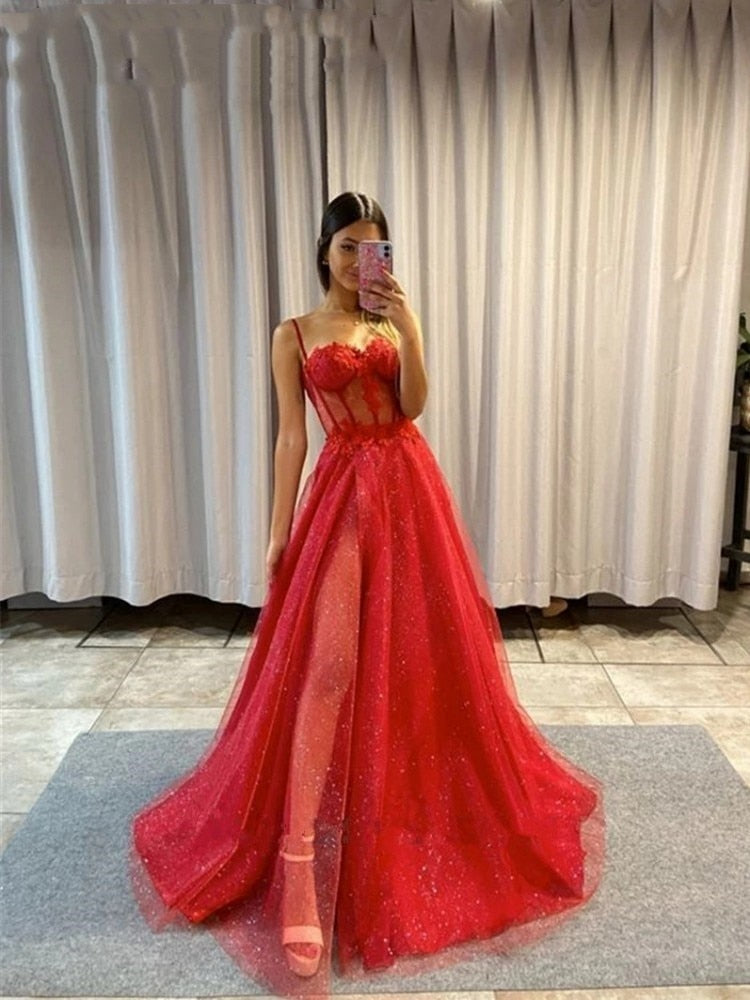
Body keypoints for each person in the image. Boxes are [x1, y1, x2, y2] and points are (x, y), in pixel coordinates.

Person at [131, 192, 605, 997]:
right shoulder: (293, 333)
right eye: (347, 246)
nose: (359, 263)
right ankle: (297, 857)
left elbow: (413, 405)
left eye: (372, 248)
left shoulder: (388, 325)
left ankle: (405, 808)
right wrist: (277, 530)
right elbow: (292, 435)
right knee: (328, 668)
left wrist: (410, 329)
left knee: (423, 658)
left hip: (409, 491)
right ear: (324, 250)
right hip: (344, 495)